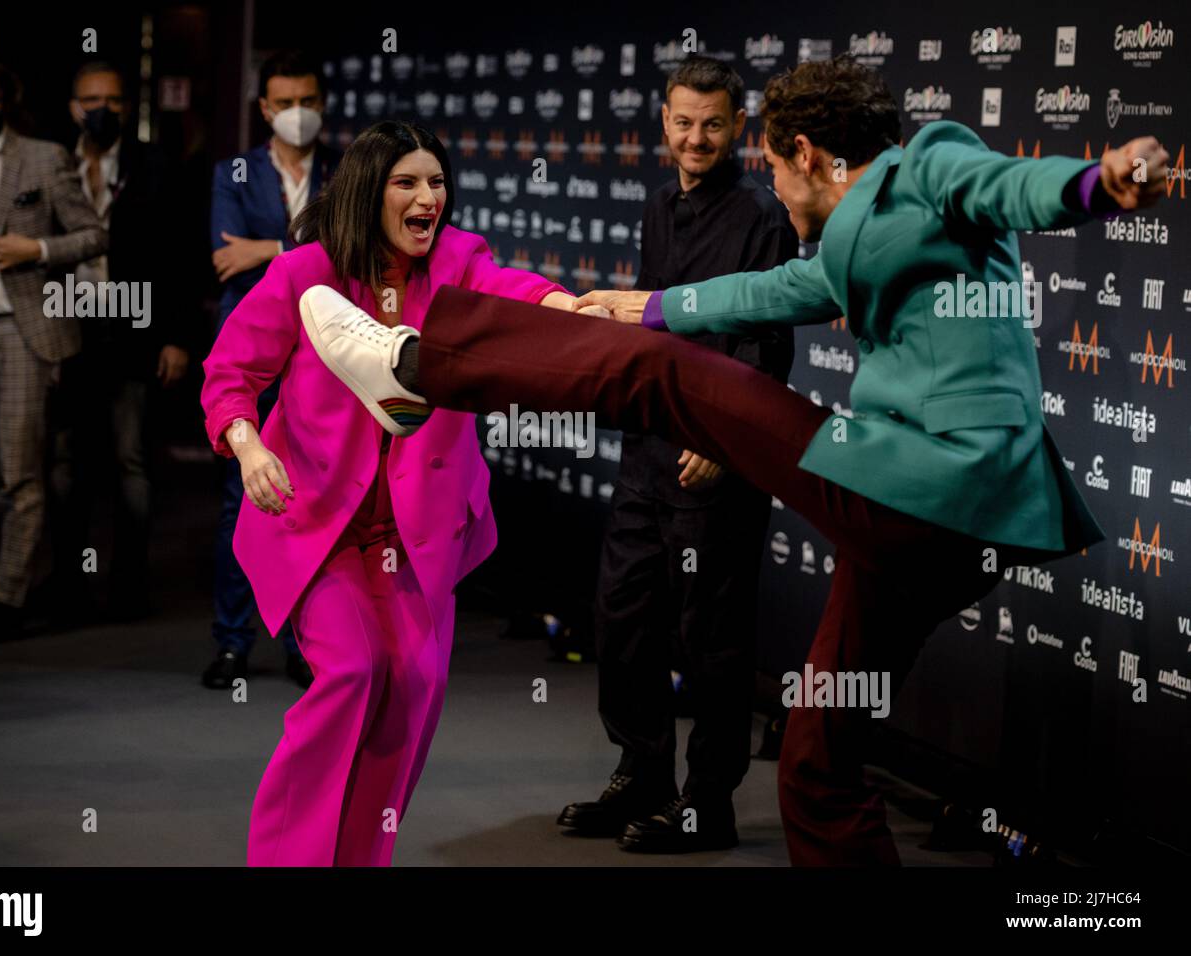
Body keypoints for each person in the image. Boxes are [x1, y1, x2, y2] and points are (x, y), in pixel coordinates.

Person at [300, 56, 1168, 866]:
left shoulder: (932, 165)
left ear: (802, 151)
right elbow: (778, 291)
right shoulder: (851, 238)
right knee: (815, 766)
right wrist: (651, 303)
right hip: (920, 540)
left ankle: (416, 369)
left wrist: (1100, 181)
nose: (771, 189)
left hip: (937, 482)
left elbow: (1015, 186)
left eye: (773, 166)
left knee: (666, 377)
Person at [200, 120, 579, 866]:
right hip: (318, 523)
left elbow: (512, 299)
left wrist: (569, 308)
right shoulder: (303, 273)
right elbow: (230, 374)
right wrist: (247, 447)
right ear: (370, 192)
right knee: (352, 670)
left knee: (413, 684)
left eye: (436, 183)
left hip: (417, 532)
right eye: (407, 182)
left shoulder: (461, 262)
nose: (427, 197)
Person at [558, 56, 796, 853]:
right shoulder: (658, 207)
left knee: (711, 638)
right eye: (683, 121)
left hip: (715, 458)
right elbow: (649, 321)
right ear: (663, 122)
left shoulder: (763, 215)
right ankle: (643, 774)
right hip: (648, 450)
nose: (697, 137)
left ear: (738, 128)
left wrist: (727, 443)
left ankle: (707, 802)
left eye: (714, 123)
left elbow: (767, 343)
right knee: (623, 617)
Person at [0, 55, 107, 643]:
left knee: (19, 473)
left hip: (22, 330)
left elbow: (93, 234)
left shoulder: (43, 155)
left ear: (6, 101)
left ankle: (8, 596)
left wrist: (36, 249)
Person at [205, 50, 340, 689]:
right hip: (253, 348)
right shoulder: (232, 173)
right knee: (243, 497)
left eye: (307, 100)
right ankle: (232, 641)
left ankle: (300, 641)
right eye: (284, 103)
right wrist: (296, 250)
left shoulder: (346, 172)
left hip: (326, 354)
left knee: (305, 499)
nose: (297, 114)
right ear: (263, 108)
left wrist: (270, 249)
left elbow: (345, 252)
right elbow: (226, 258)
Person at [44, 61, 193, 626]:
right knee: (64, 463)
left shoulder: (155, 165)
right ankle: (68, 586)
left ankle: (129, 586)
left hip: (134, 328)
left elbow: (179, 254)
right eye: (90, 99)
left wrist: (177, 338)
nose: (101, 108)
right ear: (72, 107)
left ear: (129, 108)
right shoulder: (51, 162)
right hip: (67, 327)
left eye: (112, 98)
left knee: (131, 460)